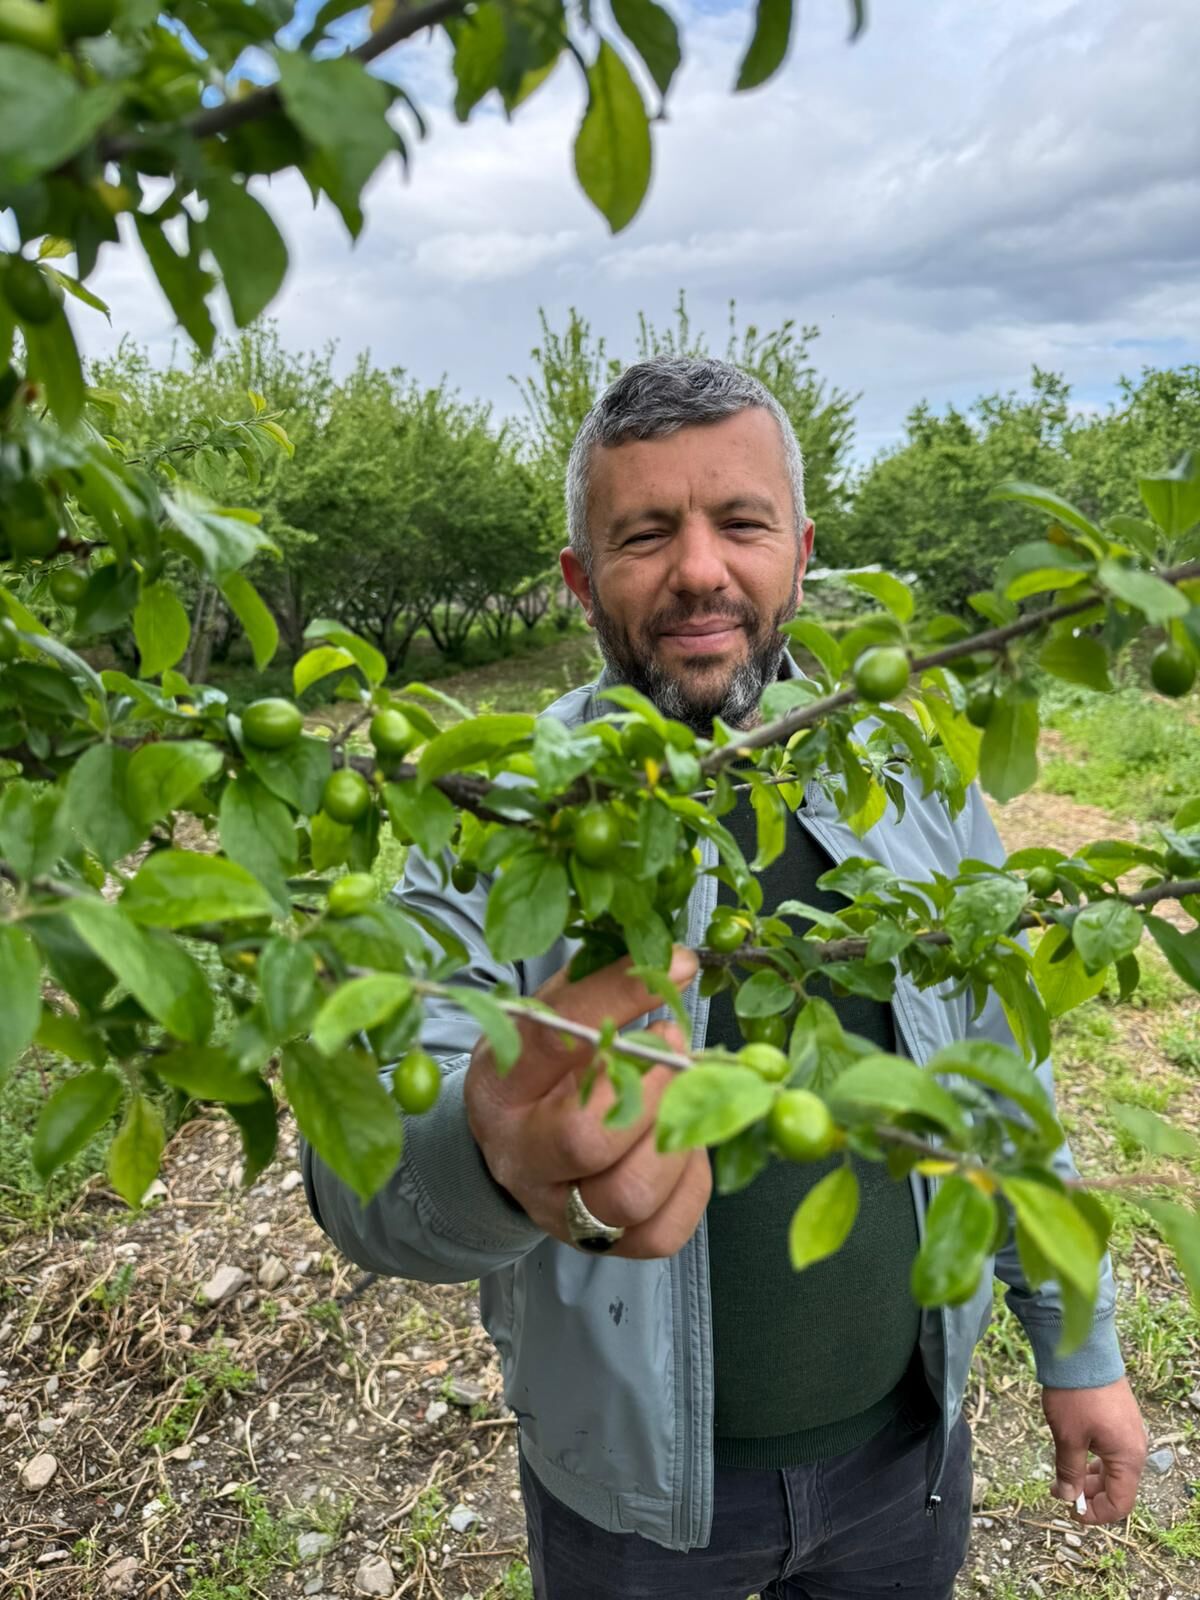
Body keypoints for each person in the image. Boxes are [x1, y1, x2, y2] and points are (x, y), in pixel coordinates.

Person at [302, 358, 1148, 1599]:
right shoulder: (499, 821)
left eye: (740, 523)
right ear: (581, 583)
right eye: (645, 533)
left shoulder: (909, 775)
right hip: (631, 1509)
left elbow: (1009, 1082)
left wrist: (1081, 1346)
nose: (700, 569)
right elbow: (356, 1174)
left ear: (799, 551)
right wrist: (487, 1155)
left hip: (907, 1458)